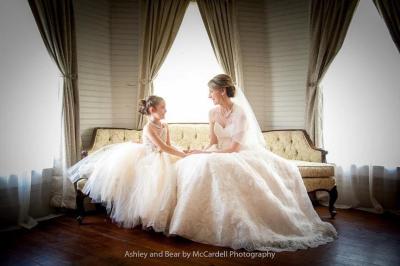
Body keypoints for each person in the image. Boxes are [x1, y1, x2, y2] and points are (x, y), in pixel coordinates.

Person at [168, 74, 338, 252]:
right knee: (195, 162)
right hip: (219, 151)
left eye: (211, 91)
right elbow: (213, 142)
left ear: (222, 90)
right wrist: (200, 151)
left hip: (239, 152)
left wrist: (207, 153)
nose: (209, 96)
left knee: (214, 164)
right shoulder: (212, 113)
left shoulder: (240, 113)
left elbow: (234, 148)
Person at [67, 95, 186, 233]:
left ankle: (170, 217)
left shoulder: (165, 125)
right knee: (154, 184)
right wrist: (183, 155)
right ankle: (150, 218)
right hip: (151, 158)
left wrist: (180, 154)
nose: (166, 110)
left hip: (163, 156)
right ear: (152, 109)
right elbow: (162, 147)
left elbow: (168, 146)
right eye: (163, 107)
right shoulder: (148, 128)